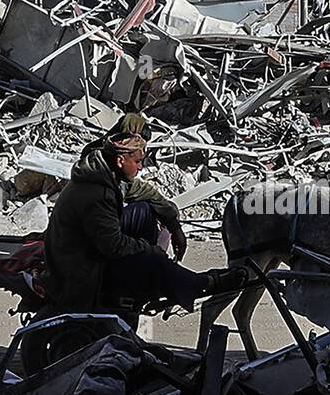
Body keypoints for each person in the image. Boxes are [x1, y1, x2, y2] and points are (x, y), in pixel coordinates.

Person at [41, 130, 245, 318]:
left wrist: (174, 225)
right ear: (121, 161)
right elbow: (113, 246)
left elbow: (146, 193)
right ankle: (199, 283)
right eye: (138, 162)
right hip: (80, 267)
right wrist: (151, 251)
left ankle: (142, 281)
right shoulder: (97, 195)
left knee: (144, 210)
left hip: (90, 246)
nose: (140, 167)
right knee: (153, 259)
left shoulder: (109, 174)